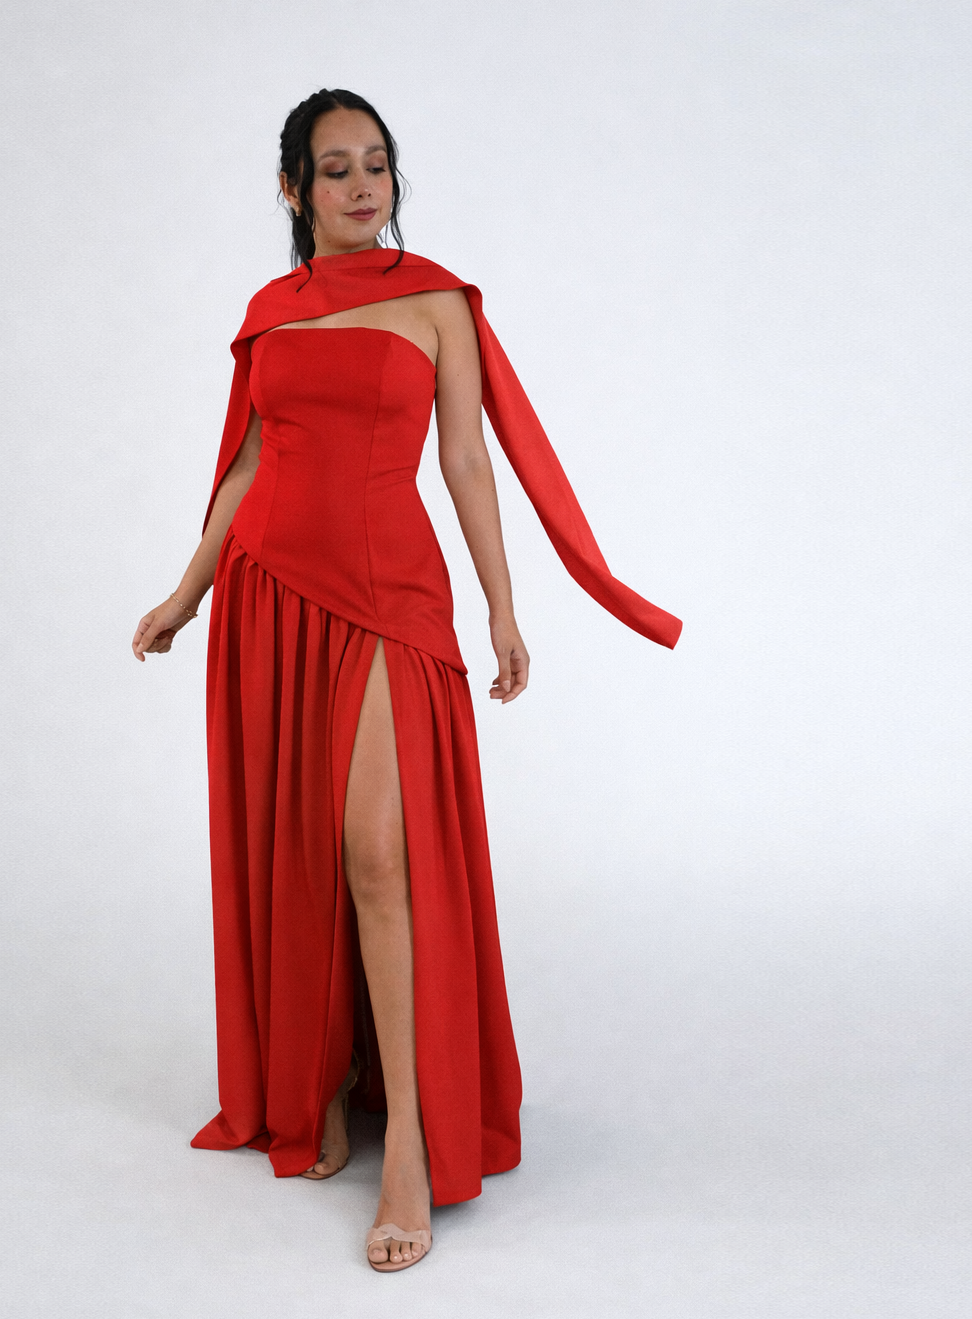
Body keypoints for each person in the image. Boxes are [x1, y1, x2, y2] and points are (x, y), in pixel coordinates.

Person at [133, 88, 681, 1273]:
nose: (361, 186)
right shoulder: (268, 311)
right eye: (334, 169)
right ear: (293, 189)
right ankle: (324, 1078)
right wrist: (187, 593)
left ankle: (415, 1147)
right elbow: (248, 461)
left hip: (389, 594)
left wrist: (501, 606)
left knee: (378, 854)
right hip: (273, 589)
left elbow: (468, 460)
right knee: (302, 847)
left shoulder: (437, 301)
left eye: (376, 164)